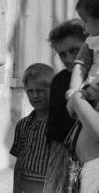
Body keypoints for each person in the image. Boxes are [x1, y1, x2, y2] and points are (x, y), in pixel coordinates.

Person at [43, 19, 85, 193]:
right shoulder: (59, 81)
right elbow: (54, 129)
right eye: (62, 54)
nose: (68, 59)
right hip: (65, 158)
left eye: (74, 50)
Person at [65, 0, 99, 192]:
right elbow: (80, 66)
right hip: (90, 93)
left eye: (86, 20)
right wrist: (73, 92)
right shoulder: (91, 42)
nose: (84, 27)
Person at [11, 63, 54, 193]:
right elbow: (18, 163)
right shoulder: (23, 125)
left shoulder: (59, 126)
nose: (35, 96)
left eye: (40, 90)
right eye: (30, 91)